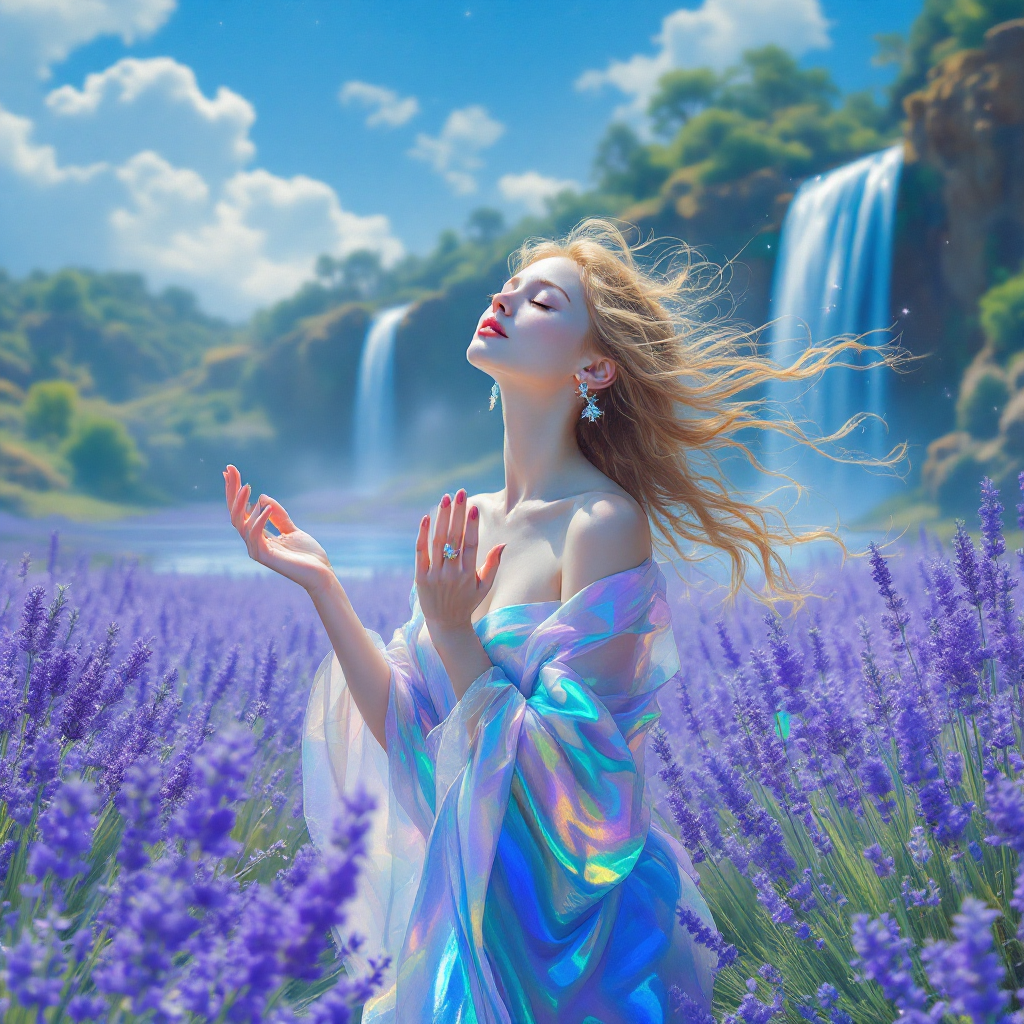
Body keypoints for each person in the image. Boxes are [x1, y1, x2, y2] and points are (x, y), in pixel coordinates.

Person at [224, 218, 903, 1023]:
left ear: (595, 367)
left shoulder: (601, 523)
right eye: (507, 291)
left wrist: (452, 633)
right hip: (465, 918)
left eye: (540, 300)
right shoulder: (468, 515)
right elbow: (416, 732)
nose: (504, 301)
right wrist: (325, 589)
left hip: (569, 948)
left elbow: (585, 786)